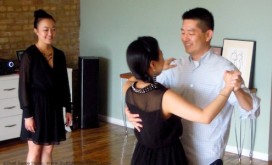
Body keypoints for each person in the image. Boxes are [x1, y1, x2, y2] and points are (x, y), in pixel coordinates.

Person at [126, 8, 260, 165]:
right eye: (182, 32)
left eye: (190, 33)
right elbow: (143, 91)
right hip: (172, 155)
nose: (184, 38)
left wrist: (237, 90)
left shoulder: (225, 70)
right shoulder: (175, 66)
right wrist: (130, 111)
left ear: (208, 35)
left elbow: (251, 111)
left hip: (206, 157)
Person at [124, 36, 240, 165]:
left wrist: (155, 69)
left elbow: (131, 80)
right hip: (166, 158)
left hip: (142, 155)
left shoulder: (129, 90)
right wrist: (227, 88)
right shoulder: (165, 97)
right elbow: (205, 117)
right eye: (160, 52)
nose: (163, 54)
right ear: (152, 64)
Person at [18, 9, 72, 164]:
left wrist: (68, 108)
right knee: (35, 150)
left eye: (53, 29)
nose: (50, 33)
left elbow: (64, 84)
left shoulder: (60, 55)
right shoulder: (29, 55)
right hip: (36, 108)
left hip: (54, 107)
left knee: (48, 149)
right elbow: (24, 87)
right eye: (46, 30)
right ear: (36, 31)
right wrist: (28, 115)